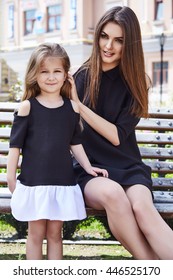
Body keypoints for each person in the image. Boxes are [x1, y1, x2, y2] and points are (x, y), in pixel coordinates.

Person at [70, 6, 173, 260]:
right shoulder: (81, 77)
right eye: (104, 36)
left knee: (142, 207)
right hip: (89, 168)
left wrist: (80, 107)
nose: (108, 46)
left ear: (130, 44)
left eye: (118, 40)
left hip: (128, 166)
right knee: (114, 194)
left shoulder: (137, 82)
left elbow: (117, 135)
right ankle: (151, 267)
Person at [7, 43, 108, 260]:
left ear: (66, 75)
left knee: (55, 234)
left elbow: (75, 143)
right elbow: (15, 147)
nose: (51, 77)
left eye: (57, 71)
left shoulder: (71, 108)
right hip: (34, 184)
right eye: (44, 71)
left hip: (62, 183)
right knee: (35, 234)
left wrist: (89, 168)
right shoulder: (27, 107)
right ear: (35, 74)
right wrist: (11, 179)